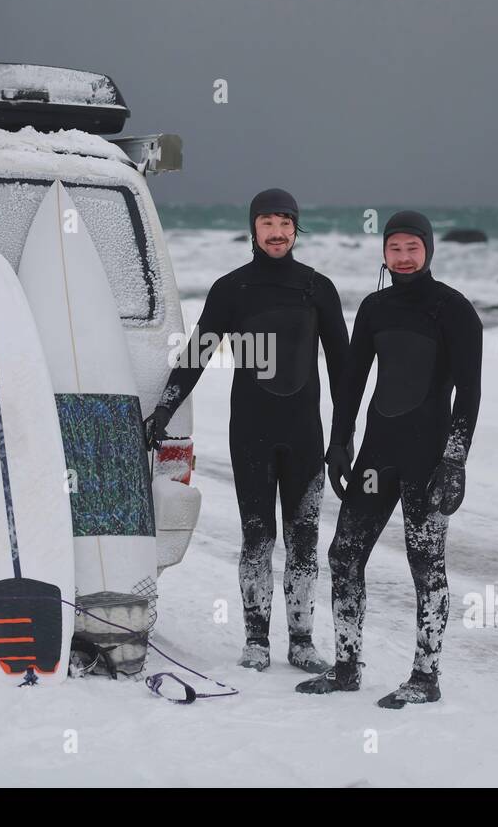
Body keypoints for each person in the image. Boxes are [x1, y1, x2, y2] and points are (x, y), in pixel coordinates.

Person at [144, 189, 349, 672]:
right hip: (252, 433)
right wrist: (163, 412)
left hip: (305, 436)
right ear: (253, 228)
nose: (277, 232)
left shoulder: (318, 288)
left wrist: (342, 439)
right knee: (256, 537)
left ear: (296, 229)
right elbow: (197, 353)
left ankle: (301, 641)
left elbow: (344, 370)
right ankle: (256, 639)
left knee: (303, 540)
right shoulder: (231, 290)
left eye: (285, 223)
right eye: (267, 223)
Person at [296, 210, 482, 708]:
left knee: (427, 565)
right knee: (344, 555)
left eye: (412, 248)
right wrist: (340, 443)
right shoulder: (375, 308)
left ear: (428, 250)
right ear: (384, 252)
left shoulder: (454, 310)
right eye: (394, 249)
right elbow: (353, 383)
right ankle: (347, 666)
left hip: (428, 460)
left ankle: (426, 677)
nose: (403, 257)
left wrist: (455, 460)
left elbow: (469, 394)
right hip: (379, 455)